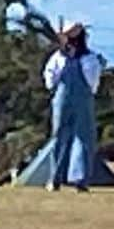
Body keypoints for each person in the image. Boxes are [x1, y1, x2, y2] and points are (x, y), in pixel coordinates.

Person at [43, 23, 103, 192]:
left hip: (75, 99)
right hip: (67, 99)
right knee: (61, 137)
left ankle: (79, 179)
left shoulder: (88, 58)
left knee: (81, 138)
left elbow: (92, 80)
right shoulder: (60, 56)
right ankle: (56, 178)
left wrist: (53, 87)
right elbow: (50, 75)